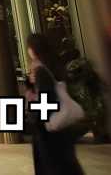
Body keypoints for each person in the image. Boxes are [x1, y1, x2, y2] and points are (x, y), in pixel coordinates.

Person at [25, 33, 84, 175]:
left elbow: (46, 97)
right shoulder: (52, 65)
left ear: (35, 49)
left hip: (47, 130)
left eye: (29, 47)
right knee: (65, 163)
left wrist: (37, 119)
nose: (28, 50)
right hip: (58, 126)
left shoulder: (40, 70)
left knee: (52, 166)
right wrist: (30, 82)